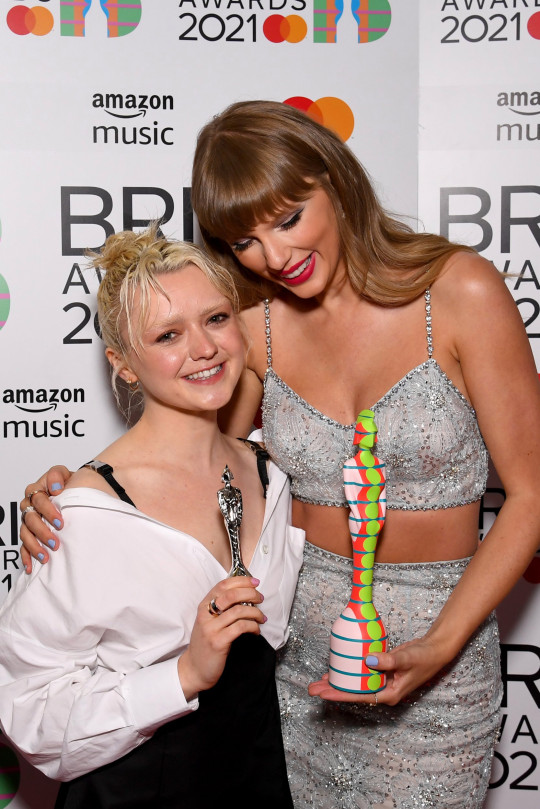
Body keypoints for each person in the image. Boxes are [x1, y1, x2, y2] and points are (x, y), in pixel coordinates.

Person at [19, 101, 540, 808]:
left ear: (336, 180)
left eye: (288, 218)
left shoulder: (459, 292)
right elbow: (204, 453)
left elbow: (532, 492)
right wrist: (78, 490)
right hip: (297, 662)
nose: (275, 256)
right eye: (243, 242)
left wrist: (442, 644)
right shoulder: (256, 326)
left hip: (442, 653)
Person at [1, 225, 305, 809]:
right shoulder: (85, 514)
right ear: (125, 364)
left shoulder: (273, 473)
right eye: (168, 334)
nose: (203, 347)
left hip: (258, 783)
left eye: (216, 318)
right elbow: (27, 708)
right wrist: (182, 675)